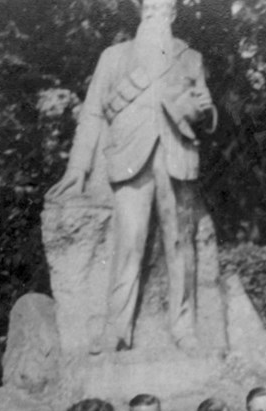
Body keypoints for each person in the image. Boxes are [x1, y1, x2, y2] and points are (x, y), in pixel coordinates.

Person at [48, 0, 216, 353]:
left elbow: (206, 109)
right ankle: (117, 330)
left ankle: (184, 329)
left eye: (162, 6)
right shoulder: (114, 57)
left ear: (172, 13)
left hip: (177, 155)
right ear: (140, 11)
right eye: (148, 6)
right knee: (128, 242)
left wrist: (206, 110)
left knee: (180, 245)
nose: (154, 11)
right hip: (128, 156)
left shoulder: (190, 57)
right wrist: (77, 168)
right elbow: (93, 113)